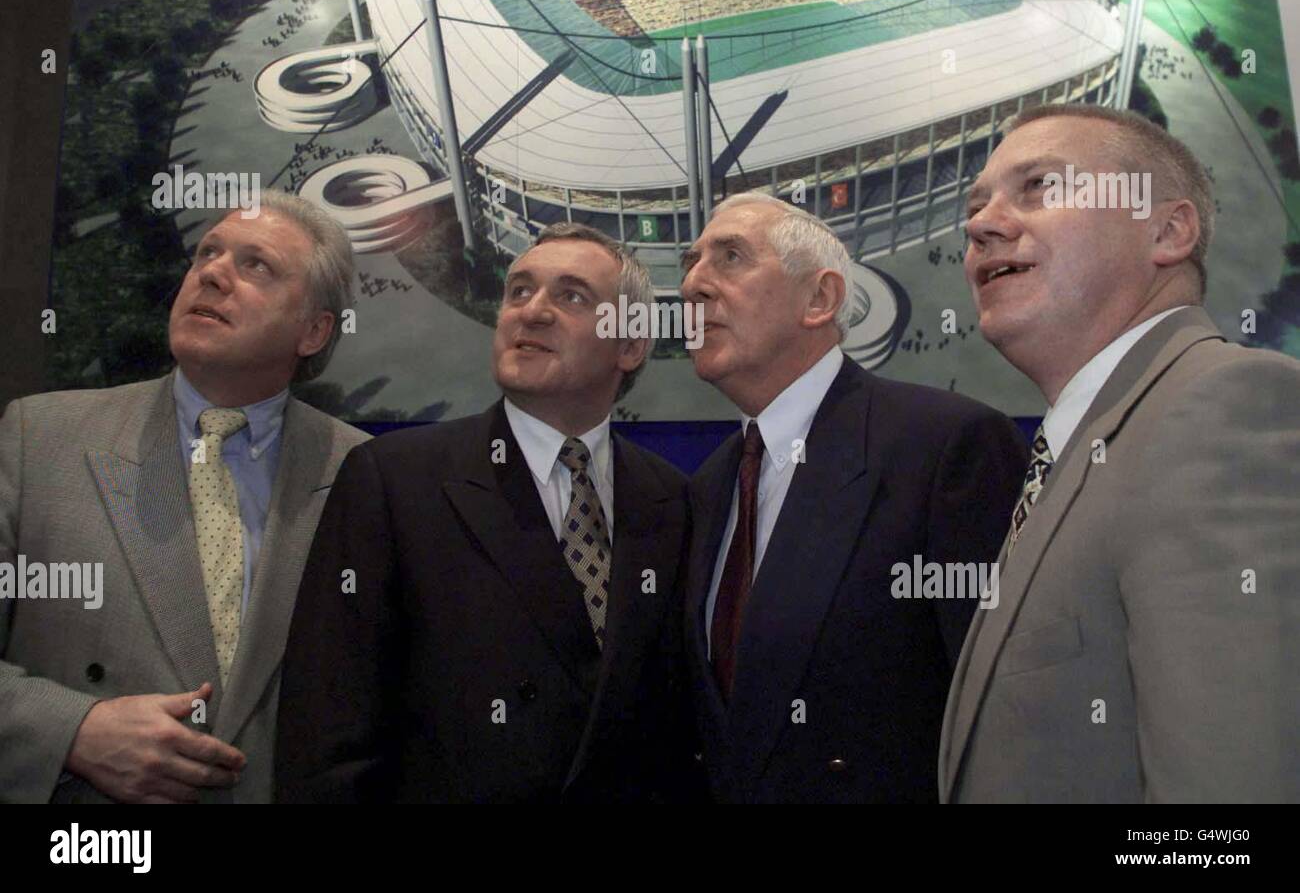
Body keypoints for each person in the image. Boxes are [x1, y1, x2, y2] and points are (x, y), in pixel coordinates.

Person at [941, 103, 1300, 802]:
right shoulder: (1087, 445)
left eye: (1040, 185)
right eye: (978, 204)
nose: (980, 223)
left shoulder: (1223, 409)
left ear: (1167, 231)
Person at [276, 223, 698, 803]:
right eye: (519, 291)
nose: (533, 312)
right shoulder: (393, 480)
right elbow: (325, 733)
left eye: (571, 296)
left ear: (630, 343)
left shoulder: (673, 500)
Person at [0, 191, 369, 803]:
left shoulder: (364, 472)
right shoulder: (38, 440)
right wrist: (72, 730)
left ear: (313, 330)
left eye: (257, 265)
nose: (213, 272)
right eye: (208, 253)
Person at [679, 192, 1026, 802]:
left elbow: (1007, 708)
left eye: (730, 257)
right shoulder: (710, 486)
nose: (693, 285)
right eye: (692, 261)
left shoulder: (946, 447)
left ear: (820, 299)